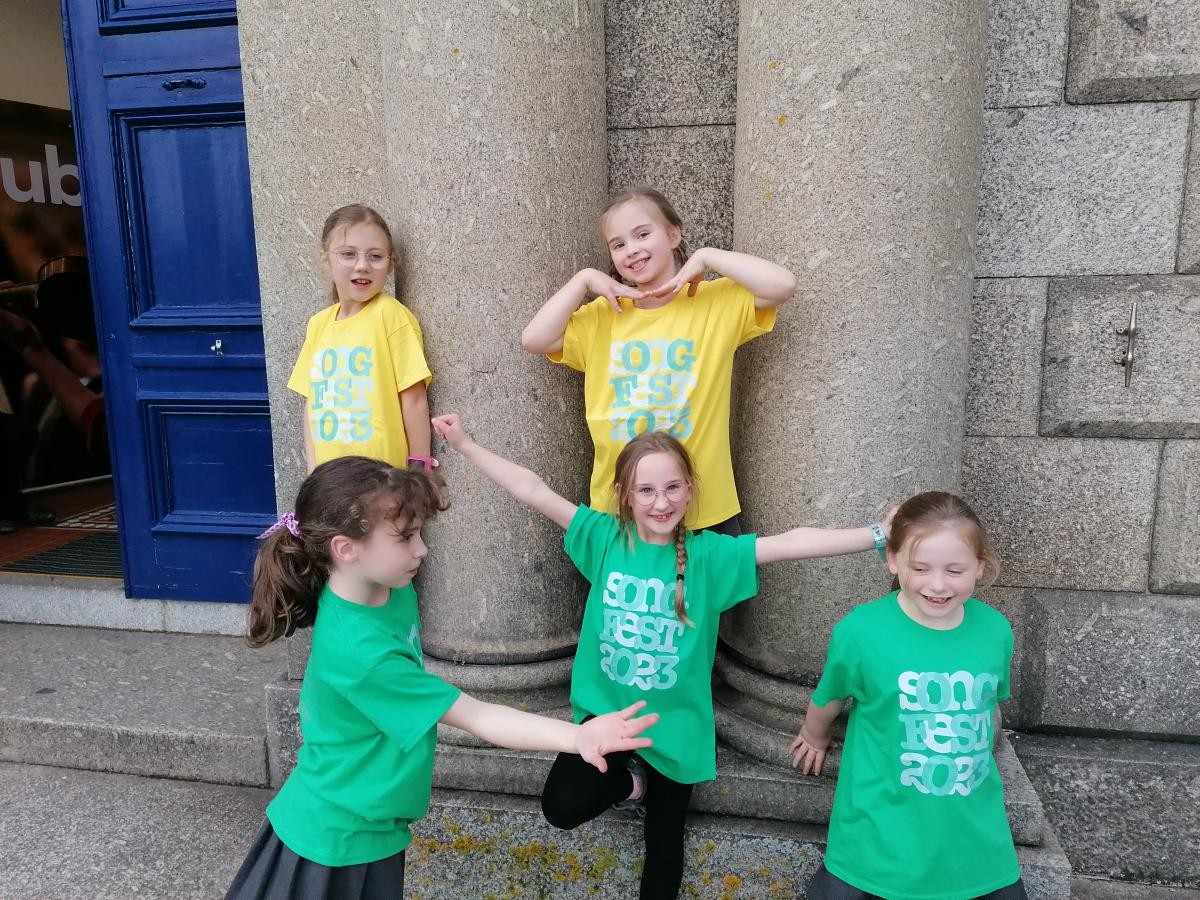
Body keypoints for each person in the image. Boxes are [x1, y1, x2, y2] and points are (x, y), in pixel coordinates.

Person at [432, 413, 890, 899]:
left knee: (664, 847)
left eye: (673, 488)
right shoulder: (604, 538)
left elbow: (793, 542)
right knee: (561, 806)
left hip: (675, 729)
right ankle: (632, 785)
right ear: (625, 494)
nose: (661, 501)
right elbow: (532, 489)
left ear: (690, 490)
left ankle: (646, 786)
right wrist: (464, 443)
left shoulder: (710, 555)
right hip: (607, 719)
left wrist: (877, 534)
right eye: (646, 490)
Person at [225, 456, 658, 900]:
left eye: (419, 533)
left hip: (364, 821)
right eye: (405, 537)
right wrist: (578, 737)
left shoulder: (385, 586)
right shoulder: (361, 655)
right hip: (334, 839)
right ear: (345, 549)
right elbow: (477, 716)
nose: (422, 550)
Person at [789, 491, 1026, 900]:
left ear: (980, 566)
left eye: (955, 570)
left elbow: (986, 706)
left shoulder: (995, 631)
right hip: (876, 838)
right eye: (921, 568)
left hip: (975, 844)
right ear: (893, 560)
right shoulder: (861, 631)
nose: (938, 584)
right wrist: (814, 735)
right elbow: (830, 695)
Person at [520, 186, 797, 535]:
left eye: (642, 234)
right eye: (618, 244)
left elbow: (783, 285)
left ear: (673, 235)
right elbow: (534, 339)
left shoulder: (713, 301)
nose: (631, 250)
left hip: (704, 508)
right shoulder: (601, 315)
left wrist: (707, 256)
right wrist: (584, 279)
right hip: (621, 510)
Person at [287, 205, 435, 475]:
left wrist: (419, 470)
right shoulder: (318, 325)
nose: (362, 266)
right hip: (331, 480)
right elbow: (312, 404)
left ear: (390, 264)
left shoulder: (390, 316)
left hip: (383, 479)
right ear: (325, 259)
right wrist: (313, 471)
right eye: (348, 254)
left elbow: (414, 399)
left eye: (375, 256)